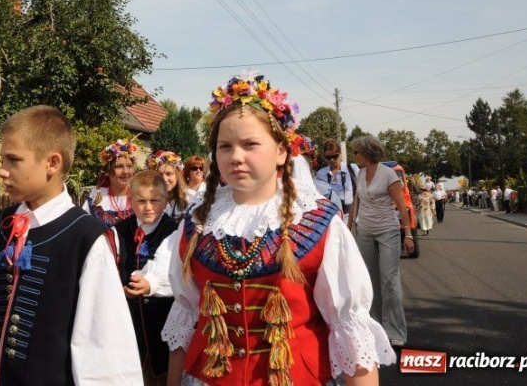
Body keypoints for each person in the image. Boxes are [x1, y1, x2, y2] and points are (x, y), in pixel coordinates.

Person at [162, 71, 394, 385]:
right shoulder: (196, 224)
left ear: (281, 151)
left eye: (250, 144)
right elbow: (185, 318)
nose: (236, 157)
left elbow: (350, 331)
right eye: (225, 146)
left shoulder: (319, 222)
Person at [0, 105, 141, 385]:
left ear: (52, 163)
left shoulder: (85, 237)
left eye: (13, 160)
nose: (3, 172)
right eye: (3, 160)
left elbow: (102, 346)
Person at [110, 170, 178, 384]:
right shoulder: (118, 231)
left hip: (162, 323)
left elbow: (176, 274)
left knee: (159, 376)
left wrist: (152, 284)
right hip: (127, 324)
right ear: (130, 200)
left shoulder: (174, 230)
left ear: (165, 200)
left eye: (154, 200)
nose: (148, 207)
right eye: (141, 201)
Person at [350, 134, 415, 348]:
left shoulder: (388, 175)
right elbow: (356, 203)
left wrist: (407, 234)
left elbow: (401, 205)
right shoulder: (359, 174)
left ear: (367, 153)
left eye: (357, 152)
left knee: (389, 280)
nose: (355, 155)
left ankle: (395, 331)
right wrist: (350, 228)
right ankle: (374, 327)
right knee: (368, 280)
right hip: (365, 231)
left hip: (387, 230)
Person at [82, 138, 138, 227]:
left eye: (129, 166)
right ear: (107, 171)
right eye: (119, 166)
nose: (126, 172)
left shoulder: (139, 197)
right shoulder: (96, 198)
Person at [313, 138, 355, 215]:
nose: (332, 160)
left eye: (335, 156)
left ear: (340, 154)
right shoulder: (321, 174)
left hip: (351, 214)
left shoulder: (352, 169)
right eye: (328, 157)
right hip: (331, 215)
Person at [147, 149, 189, 221]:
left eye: (168, 174)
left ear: (177, 176)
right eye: (160, 174)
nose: (164, 179)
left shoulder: (188, 199)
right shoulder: (147, 198)